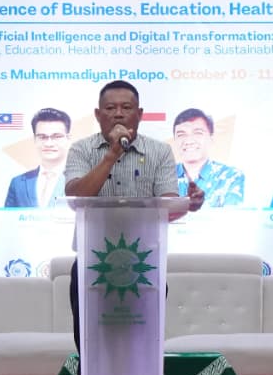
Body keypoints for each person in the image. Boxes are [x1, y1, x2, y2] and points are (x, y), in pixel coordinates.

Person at [64, 81, 205, 351]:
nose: (118, 114)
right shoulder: (81, 150)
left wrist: (189, 204)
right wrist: (111, 155)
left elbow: (166, 207)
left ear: (139, 114)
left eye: (126, 107)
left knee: (143, 348)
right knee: (92, 349)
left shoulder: (159, 151)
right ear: (98, 114)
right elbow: (76, 197)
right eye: (110, 108)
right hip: (92, 265)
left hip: (143, 266)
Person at [171, 107, 244, 207]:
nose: (189, 141)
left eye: (197, 133)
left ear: (211, 138)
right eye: (181, 135)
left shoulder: (230, 177)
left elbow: (231, 216)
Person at [4, 107, 72, 208]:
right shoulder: (18, 183)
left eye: (56, 136)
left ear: (68, 138)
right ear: (35, 139)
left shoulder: (81, 181)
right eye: (42, 137)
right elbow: (8, 217)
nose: (49, 143)